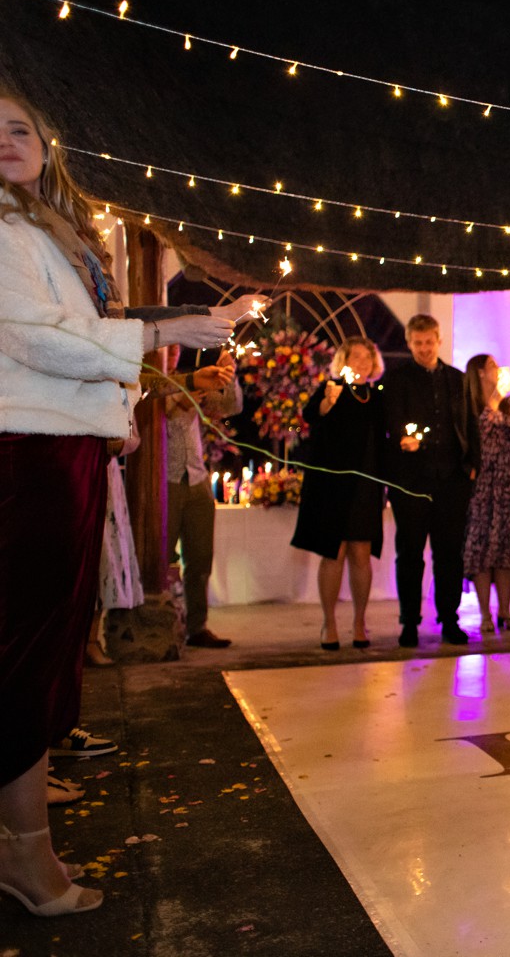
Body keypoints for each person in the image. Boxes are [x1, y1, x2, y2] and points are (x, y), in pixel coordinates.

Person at [1, 86, 234, 916]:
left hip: (56, 443)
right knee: (25, 650)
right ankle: (26, 858)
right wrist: (169, 334)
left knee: (42, 640)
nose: (5, 139)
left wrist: (174, 330)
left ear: (48, 143)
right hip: (25, 450)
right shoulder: (4, 231)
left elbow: (87, 325)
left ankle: (17, 822)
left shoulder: (39, 229)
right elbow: (39, 340)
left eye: (19, 126)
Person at [382, 314, 475, 648]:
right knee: (410, 553)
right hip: (410, 481)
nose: (423, 348)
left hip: (451, 481)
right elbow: (390, 422)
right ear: (410, 343)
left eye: (428, 342)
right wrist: (400, 443)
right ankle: (409, 622)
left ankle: (449, 618)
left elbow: (469, 424)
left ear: (438, 340)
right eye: (417, 343)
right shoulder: (397, 378)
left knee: (450, 553)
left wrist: (471, 467)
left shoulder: (458, 378)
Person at [292, 337, 387, 650]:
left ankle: (359, 622)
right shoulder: (331, 387)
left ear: (373, 363)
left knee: (361, 552)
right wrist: (327, 403)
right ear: (343, 360)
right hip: (332, 486)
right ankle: (329, 622)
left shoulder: (377, 396)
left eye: (366, 357)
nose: (361, 362)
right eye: (354, 356)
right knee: (334, 551)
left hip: (366, 485)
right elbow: (311, 417)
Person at [163, 344, 242, 649]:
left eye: (174, 351)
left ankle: (197, 627)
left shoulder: (191, 379)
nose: (171, 356)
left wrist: (228, 376)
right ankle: (165, 623)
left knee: (200, 559)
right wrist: (181, 402)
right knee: (162, 558)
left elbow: (230, 407)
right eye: (166, 352)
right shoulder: (150, 384)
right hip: (166, 479)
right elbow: (160, 421)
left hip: (196, 479)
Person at [461, 354, 510, 635]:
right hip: (482, 482)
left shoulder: (508, 402)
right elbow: (480, 429)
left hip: (508, 480)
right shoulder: (471, 404)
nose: (500, 369)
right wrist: (496, 401)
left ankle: (505, 611)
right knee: (482, 549)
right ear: (481, 372)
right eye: (493, 366)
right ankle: (484, 614)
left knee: (506, 547)